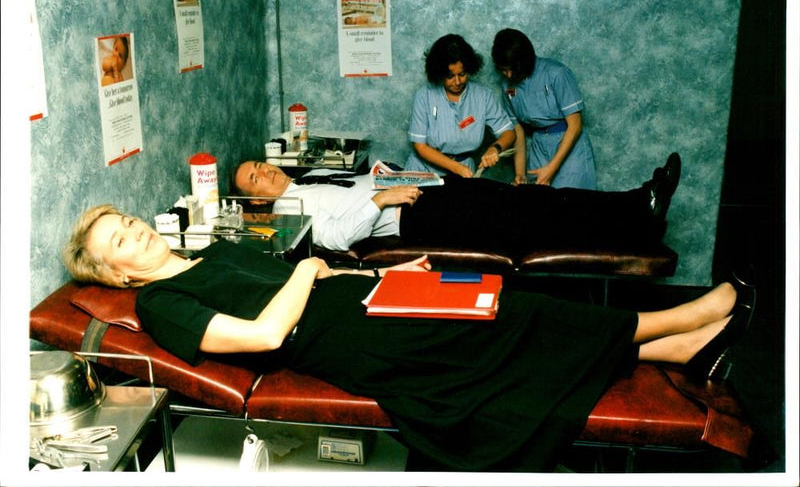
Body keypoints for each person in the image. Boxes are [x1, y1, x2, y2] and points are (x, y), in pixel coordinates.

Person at [62, 204, 756, 471]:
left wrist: (378, 272)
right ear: (116, 273)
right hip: (346, 339)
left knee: (495, 296)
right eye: (120, 240)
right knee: (516, 317)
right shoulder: (161, 303)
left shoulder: (211, 251)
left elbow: (312, 273)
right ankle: (683, 318)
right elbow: (265, 331)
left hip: (364, 299)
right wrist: (309, 271)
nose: (136, 232)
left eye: (128, 220)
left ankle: (676, 347)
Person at [232, 153, 681, 253]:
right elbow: (336, 237)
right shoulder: (289, 211)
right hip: (415, 218)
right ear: (254, 199)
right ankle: (639, 216)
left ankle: (636, 203)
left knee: (532, 197)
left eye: (259, 165)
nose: (264, 171)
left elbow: (361, 183)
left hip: (427, 190)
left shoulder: (306, 177)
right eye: (254, 178)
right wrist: (382, 199)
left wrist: (407, 176)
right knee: (533, 217)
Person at [491, 28, 596, 189]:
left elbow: (575, 125)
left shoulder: (557, 73)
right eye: (504, 70)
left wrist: (551, 168)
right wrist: (520, 173)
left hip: (569, 144)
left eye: (513, 69)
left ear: (526, 60)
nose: (509, 75)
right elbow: (517, 129)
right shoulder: (507, 86)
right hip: (539, 145)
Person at [404, 34, 517, 178]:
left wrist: (495, 148)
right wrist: (456, 167)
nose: (457, 82)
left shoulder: (483, 96)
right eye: (450, 76)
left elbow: (509, 132)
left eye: (462, 74)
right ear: (438, 73)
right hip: (424, 169)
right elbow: (420, 146)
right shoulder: (424, 95)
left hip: (464, 170)